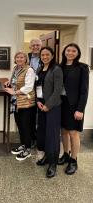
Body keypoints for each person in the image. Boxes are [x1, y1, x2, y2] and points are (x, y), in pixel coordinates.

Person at [58, 43, 89, 175]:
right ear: (64, 52)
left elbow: (84, 91)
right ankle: (65, 154)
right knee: (63, 131)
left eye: (73, 51)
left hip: (74, 105)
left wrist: (80, 109)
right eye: (68, 50)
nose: (70, 53)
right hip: (61, 103)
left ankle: (73, 160)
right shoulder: (59, 66)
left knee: (73, 133)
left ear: (77, 53)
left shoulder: (82, 67)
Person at [35, 47, 63, 178]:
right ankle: (46, 156)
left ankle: (53, 164)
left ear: (52, 56)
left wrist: (48, 105)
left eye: (47, 54)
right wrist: (38, 101)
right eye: (42, 55)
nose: (44, 57)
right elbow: (37, 87)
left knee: (52, 135)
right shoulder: (40, 69)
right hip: (41, 106)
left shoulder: (56, 70)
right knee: (42, 132)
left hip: (53, 108)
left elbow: (58, 91)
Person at [4, 51, 36, 161]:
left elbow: (29, 87)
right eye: (17, 57)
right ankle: (23, 145)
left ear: (26, 59)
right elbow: (15, 81)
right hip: (16, 103)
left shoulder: (29, 70)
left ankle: (27, 150)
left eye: (22, 57)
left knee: (26, 126)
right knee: (20, 125)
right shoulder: (16, 68)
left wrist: (14, 92)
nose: (19, 59)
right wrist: (9, 83)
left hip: (26, 103)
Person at [28, 38, 42, 150]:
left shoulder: (46, 56)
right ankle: (32, 138)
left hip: (42, 90)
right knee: (30, 116)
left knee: (41, 115)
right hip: (28, 91)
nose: (35, 47)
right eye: (33, 45)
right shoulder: (26, 57)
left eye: (38, 45)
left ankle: (40, 139)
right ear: (30, 47)